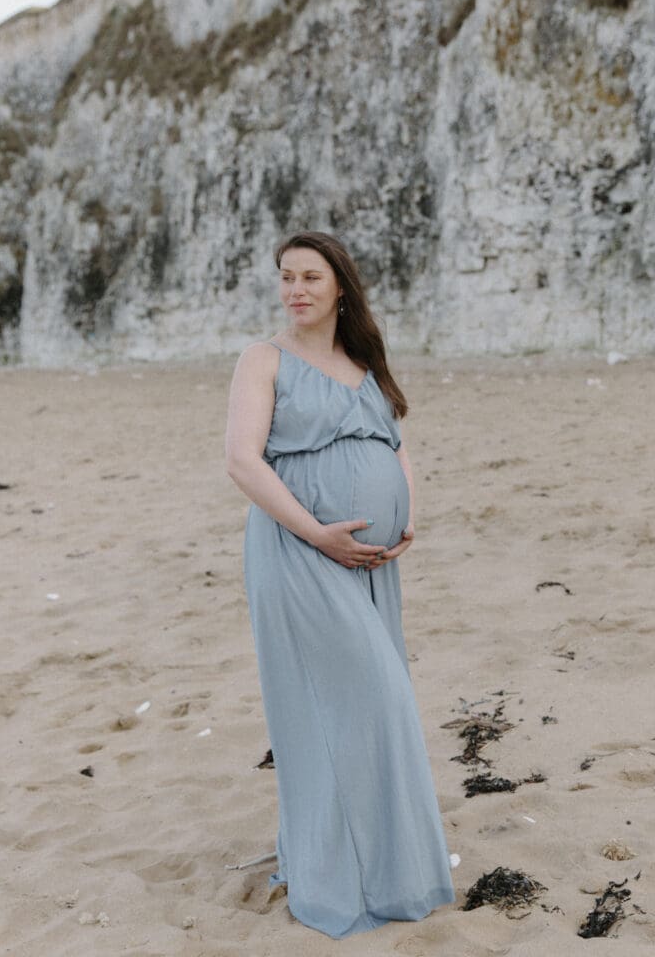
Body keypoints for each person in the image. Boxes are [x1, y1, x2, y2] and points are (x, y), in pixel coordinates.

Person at [225, 230, 456, 938]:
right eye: (286, 277)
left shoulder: (364, 364)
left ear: (340, 290)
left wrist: (407, 513)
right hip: (298, 553)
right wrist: (316, 532)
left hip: (371, 563)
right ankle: (339, 872)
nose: (295, 290)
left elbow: (394, 444)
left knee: (370, 708)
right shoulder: (263, 359)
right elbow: (242, 461)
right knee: (357, 704)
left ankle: (387, 869)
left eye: (310, 278)